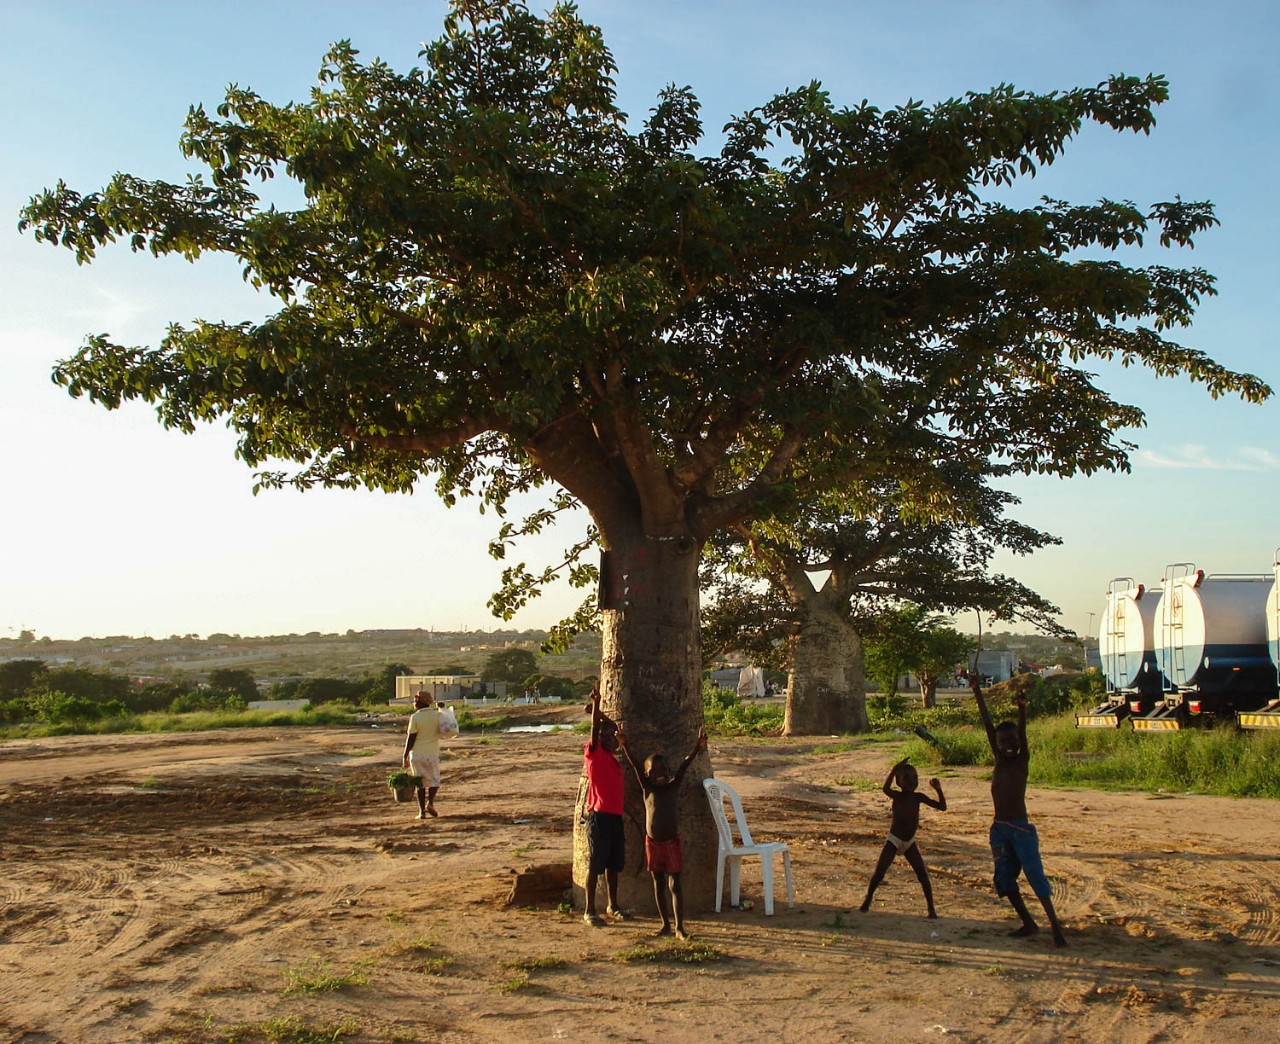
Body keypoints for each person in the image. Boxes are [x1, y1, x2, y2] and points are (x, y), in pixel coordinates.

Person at [974, 685, 1067, 946]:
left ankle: (1056, 928)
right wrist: (977, 692)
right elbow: (987, 723)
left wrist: (1022, 710)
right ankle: (1028, 922)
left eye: (1012, 742)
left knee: (1035, 876)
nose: (1009, 746)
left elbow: (1022, 736)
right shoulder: (999, 762)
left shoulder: (1022, 761)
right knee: (1004, 879)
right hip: (1000, 829)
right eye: (1003, 743)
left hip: (1020, 829)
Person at [616, 722, 707, 939]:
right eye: (654, 771)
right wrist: (624, 744)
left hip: (671, 843)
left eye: (664, 770)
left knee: (675, 884)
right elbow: (635, 765)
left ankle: (679, 927)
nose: (660, 774)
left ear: (669, 772)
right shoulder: (647, 789)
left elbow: (685, 765)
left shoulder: (673, 786)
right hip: (653, 843)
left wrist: (698, 746)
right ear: (646, 775)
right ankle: (665, 924)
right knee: (658, 884)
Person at [860, 758, 946, 918]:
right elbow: (885, 788)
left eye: (915, 778)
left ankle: (931, 909)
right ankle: (868, 899)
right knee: (879, 872)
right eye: (906, 778)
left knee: (922, 875)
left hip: (909, 842)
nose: (912, 782)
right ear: (898, 782)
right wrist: (894, 769)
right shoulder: (897, 796)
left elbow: (942, 807)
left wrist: (938, 789)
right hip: (894, 840)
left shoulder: (918, 797)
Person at [582, 684, 630, 926]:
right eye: (608, 736)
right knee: (595, 864)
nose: (613, 739)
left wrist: (602, 716)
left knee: (613, 864)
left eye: (614, 737)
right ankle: (590, 909)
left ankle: (613, 905)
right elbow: (595, 729)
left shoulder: (612, 759)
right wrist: (597, 708)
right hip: (599, 817)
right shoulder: (594, 754)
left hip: (614, 817)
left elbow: (612, 729)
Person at [402, 689, 441, 820]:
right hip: (432, 752)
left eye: (415, 701)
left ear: (420, 702)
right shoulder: (437, 715)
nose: (413, 703)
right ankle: (430, 802)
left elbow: (411, 738)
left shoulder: (415, 717)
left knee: (420, 783)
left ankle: (422, 812)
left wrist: (405, 754)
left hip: (417, 754)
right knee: (434, 780)